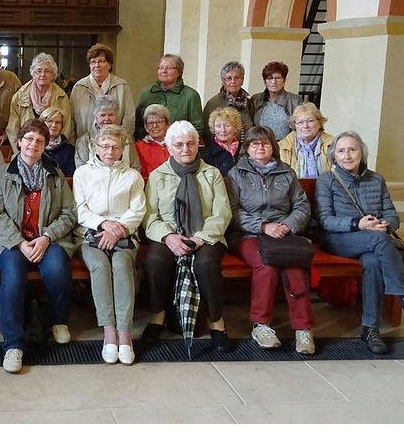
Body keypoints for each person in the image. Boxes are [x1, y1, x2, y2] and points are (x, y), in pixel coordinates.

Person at [316, 131, 404, 354]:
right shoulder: (326, 180)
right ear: (333, 157)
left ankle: (370, 328)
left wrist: (386, 225)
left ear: (362, 153)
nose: (347, 155)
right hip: (339, 239)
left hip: (375, 240)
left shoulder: (376, 179)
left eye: (352, 149)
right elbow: (326, 220)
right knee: (379, 241)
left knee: (374, 262)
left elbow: (392, 214)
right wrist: (358, 224)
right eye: (341, 151)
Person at [0, 119, 77, 373]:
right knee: (14, 277)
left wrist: (47, 237)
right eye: (29, 138)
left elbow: (69, 213)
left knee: (58, 269)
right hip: (12, 242)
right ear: (19, 141)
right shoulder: (2, 174)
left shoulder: (55, 174)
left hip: (47, 239)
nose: (33, 144)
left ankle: (59, 321)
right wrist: (19, 243)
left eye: (40, 140)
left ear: (45, 145)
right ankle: (13, 343)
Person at [142, 120, 233, 350]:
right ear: (170, 148)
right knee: (154, 261)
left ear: (198, 145)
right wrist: (168, 237)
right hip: (169, 234)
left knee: (207, 264)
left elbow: (222, 212)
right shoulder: (157, 176)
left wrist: (201, 238)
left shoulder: (211, 174)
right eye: (179, 144)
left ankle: (217, 322)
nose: (185, 149)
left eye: (190, 144)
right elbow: (150, 216)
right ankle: (157, 315)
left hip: (206, 235)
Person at [225, 126, 315, 354]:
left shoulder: (287, 173)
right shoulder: (237, 174)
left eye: (265, 143)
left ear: (272, 147)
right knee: (266, 264)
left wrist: (286, 226)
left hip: (284, 233)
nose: (260, 147)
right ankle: (261, 325)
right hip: (248, 235)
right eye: (255, 144)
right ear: (247, 148)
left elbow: (302, 206)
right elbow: (232, 212)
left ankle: (303, 328)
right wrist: (264, 227)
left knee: (295, 264)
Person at [73, 124, 146, 365]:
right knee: (99, 268)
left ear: (123, 149)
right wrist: (104, 225)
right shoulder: (83, 173)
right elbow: (80, 209)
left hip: (124, 235)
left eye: (116, 147)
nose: (110, 151)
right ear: (95, 147)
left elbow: (138, 210)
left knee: (122, 267)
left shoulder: (132, 176)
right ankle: (109, 332)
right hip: (92, 235)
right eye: (105, 146)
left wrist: (119, 230)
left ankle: (125, 334)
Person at [70, 43, 135, 140]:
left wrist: (120, 142)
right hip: (86, 145)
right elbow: (71, 121)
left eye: (101, 61)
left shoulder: (122, 86)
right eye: (93, 62)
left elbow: (129, 119)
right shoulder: (79, 87)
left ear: (109, 65)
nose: (97, 65)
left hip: (114, 145)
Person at [6, 52, 74, 147]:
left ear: (52, 75)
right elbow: (12, 129)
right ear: (33, 74)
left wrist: (57, 147)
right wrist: (20, 150)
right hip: (26, 148)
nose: (43, 74)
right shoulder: (19, 97)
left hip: (53, 149)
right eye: (39, 71)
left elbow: (66, 127)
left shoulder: (61, 97)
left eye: (47, 71)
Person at [134, 53, 204, 140]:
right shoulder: (146, 93)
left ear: (179, 72)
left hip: (179, 147)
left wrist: (181, 144)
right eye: (161, 67)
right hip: (149, 147)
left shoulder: (191, 95)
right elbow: (137, 125)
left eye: (169, 68)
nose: (164, 71)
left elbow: (198, 127)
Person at [74, 96, 142, 173]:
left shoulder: (126, 139)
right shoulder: (84, 140)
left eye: (111, 115)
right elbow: (82, 169)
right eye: (103, 115)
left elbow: (135, 166)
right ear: (96, 118)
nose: (107, 119)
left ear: (117, 117)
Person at [278, 102, 334, 178]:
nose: (305, 126)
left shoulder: (333, 145)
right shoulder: (282, 146)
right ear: (295, 125)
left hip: (326, 189)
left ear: (319, 122)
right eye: (300, 122)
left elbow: (337, 177)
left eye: (310, 121)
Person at [202, 60, 254, 142]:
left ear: (242, 80)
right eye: (229, 78)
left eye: (237, 78)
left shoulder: (249, 102)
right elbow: (207, 133)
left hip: (247, 150)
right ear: (223, 81)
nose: (233, 82)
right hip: (222, 151)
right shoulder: (214, 103)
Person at [250, 61, 303, 141]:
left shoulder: (295, 101)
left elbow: (300, 127)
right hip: (261, 146)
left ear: (284, 80)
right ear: (265, 82)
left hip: (286, 147)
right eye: (270, 78)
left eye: (278, 78)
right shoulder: (256, 99)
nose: (274, 82)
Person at [201, 107, 243, 176]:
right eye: (218, 126)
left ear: (235, 127)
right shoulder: (207, 153)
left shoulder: (245, 150)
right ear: (214, 129)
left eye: (227, 125)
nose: (223, 130)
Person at [135, 104, 171, 179]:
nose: (155, 126)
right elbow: (141, 175)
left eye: (159, 122)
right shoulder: (138, 147)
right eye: (151, 123)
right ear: (146, 127)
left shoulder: (176, 145)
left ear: (168, 124)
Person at [39, 106, 76, 176]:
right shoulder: (35, 146)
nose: (54, 125)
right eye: (50, 121)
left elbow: (70, 176)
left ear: (62, 126)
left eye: (58, 122)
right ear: (42, 124)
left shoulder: (69, 149)